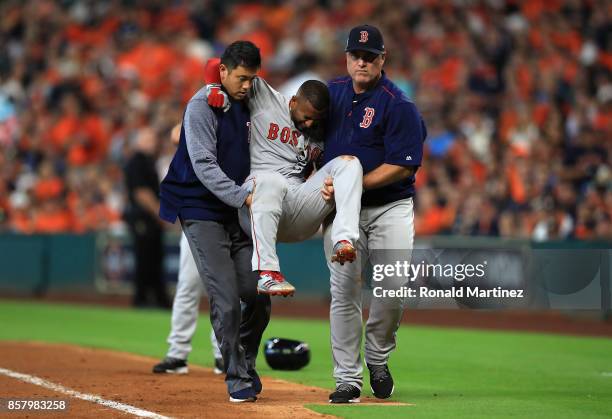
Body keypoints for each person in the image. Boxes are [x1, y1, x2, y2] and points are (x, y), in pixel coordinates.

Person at [158, 41, 270, 403]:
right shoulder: (201, 104)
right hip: (199, 208)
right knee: (223, 295)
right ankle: (235, 375)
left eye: (252, 79)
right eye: (240, 78)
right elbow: (204, 165)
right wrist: (245, 197)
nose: (246, 85)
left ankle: (245, 360)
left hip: (232, 211)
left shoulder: (247, 99)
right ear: (223, 72)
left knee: (258, 291)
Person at [321, 25, 427, 403]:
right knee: (344, 293)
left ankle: (378, 356)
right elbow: (301, 130)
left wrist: (351, 183)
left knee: (393, 290)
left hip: (389, 207)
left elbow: (403, 164)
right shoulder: (330, 94)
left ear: (383, 59)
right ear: (347, 58)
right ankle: (347, 379)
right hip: (341, 213)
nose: (362, 61)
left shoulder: (397, 104)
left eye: (370, 56)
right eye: (356, 55)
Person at [204, 59, 363, 296]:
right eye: (306, 115)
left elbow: (327, 171)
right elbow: (220, 63)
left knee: (350, 164)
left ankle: (345, 240)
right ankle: (268, 273)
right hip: (257, 203)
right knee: (272, 181)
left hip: (297, 210)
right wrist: (213, 86)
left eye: (316, 119)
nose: (309, 123)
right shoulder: (268, 99)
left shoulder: (320, 130)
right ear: (294, 101)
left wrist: (330, 183)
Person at [153, 123, 224, 376]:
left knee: (224, 289)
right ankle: (177, 353)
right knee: (188, 285)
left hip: (227, 216)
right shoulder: (204, 111)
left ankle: (223, 354)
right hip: (196, 214)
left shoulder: (239, 120)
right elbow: (175, 135)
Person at [123, 127, 171, 309]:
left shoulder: (148, 161)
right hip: (143, 218)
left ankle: (156, 298)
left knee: (154, 258)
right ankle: (142, 299)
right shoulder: (137, 162)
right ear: (139, 142)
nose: (155, 142)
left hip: (148, 218)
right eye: (150, 139)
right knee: (145, 258)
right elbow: (141, 193)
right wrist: (160, 212)